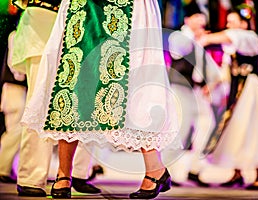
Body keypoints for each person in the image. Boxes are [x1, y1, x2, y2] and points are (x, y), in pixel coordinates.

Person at [21, 0, 179, 199]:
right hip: (84, 7)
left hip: (128, 6)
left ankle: (155, 169)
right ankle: (63, 173)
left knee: (135, 83)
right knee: (72, 80)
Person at [9, 0, 100, 196]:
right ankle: (31, 176)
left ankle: (78, 172)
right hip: (45, 18)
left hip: (83, 20)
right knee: (40, 101)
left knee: (83, 101)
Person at [198, 4, 258, 190]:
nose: (228, 25)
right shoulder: (232, 45)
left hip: (251, 89)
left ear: (244, 24)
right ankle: (237, 173)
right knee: (235, 128)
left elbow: (229, 36)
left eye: (232, 22)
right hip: (237, 90)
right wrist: (211, 86)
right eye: (227, 22)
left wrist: (206, 37)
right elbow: (225, 71)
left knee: (254, 128)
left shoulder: (250, 38)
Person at [166, 0, 224, 187]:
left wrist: (210, 83)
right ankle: (169, 172)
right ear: (188, 19)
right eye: (198, 18)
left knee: (207, 125)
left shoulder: (200, 40)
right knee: (179, 130)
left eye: (202, 19)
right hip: (181, 88)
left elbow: (204, 65)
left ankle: (195, 168)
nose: (201, 22)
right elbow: (177, 53)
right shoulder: (180, 36)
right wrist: (196, 39)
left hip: (197, 90)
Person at [0, 31, 27, 184]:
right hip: (14, 88)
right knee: (15, 129)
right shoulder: (16, 35)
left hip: (16, 88)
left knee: (16, 130)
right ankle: (2, 168)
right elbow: (16, 67)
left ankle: (6, 168)